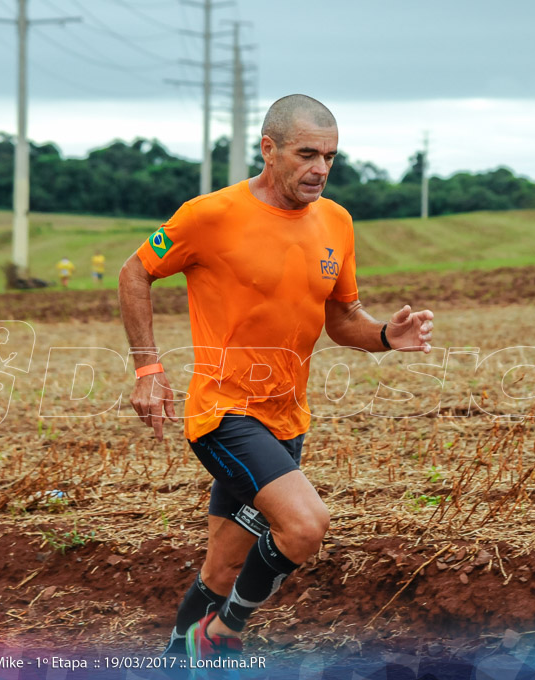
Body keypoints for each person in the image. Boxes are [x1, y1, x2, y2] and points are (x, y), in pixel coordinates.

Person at [118, 94, 434, 666]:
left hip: (287, 418)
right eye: (306, 153)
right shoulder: (209, 215)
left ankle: (172, 663)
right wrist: (148, 369)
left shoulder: (336, 221)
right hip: (223, 413)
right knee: (306, 527)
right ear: (269, 149)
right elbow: (135, 271)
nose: (320, 168)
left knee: (222, 566)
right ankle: (224, 632)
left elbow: (342, 320)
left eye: (330, 157)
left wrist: (387, 335)